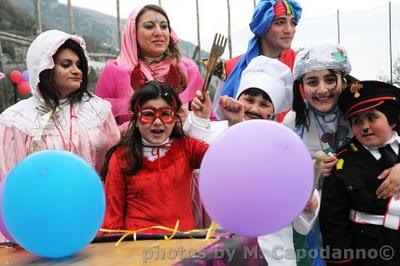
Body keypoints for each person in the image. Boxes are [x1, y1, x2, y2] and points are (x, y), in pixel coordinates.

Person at [185, 56, 320, 266]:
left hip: (274, 253)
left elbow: (304, 187)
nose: (255, 109)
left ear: (273, 112)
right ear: (238, 98)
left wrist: (311, 202)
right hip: (223, 252)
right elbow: (197, 159)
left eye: (264, 104)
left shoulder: (285, 145)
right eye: (249, 100)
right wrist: (202, 118)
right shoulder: (217, 133)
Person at [0, 30, 120, 242]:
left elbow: (118, 165)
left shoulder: (98, 110)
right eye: (66, 64)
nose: (77, 70)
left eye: (79, 64)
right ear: (44, 67)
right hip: (43, 222)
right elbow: (8, 179)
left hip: (99, 217)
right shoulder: (17, 120)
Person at [100, 80, 209, 233]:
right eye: (149, 114)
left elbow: (222, 162)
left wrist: (230, 120)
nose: (157, 122)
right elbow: (112, 217)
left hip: (181, 248)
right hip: (136, 250)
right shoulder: (121, 158)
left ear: (175, 118)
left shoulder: (188, 148)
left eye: (165, 114)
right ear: (136, 120)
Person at [320, 80, 400, 266]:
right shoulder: (342, 162)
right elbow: (333, 221)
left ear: (392, 119)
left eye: (372, 118)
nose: (364, 126)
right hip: (372, 252)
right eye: (357, 121)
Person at [95, 4, 203, 127]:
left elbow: (208, 120)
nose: (158, 32)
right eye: (149, 26)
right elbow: (100, 127)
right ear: (133, 32)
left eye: (164, 26)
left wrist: (191, 120)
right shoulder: (114, 71)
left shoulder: (186, 70)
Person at [214, 0, 302, 120]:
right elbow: (217, 118)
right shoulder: (232, 67)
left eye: (293, 23)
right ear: (263, 25)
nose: (289, 30)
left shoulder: (300, 67)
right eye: (280, 22)